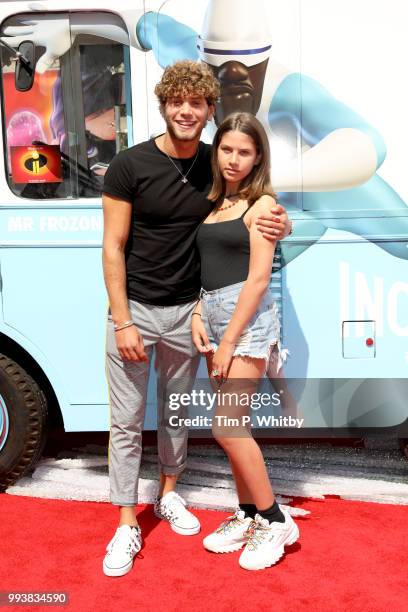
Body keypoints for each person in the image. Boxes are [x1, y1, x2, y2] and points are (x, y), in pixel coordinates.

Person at [101, 60, 291, 577]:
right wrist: (122, 320)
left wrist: (280, 219)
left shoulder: (219, 160)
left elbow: (255, 205)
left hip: (193, 315)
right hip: (138, 312)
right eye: (176, 101)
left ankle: (170, 495)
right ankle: (125, 523)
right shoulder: (129, 165)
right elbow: (113, 247)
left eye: (197, 102)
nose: (186, 110)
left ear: (210, 110)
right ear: (163, 106)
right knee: (125, 421)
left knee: (179, 415)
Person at [192, 112, 299, 571]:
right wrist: (199, 311)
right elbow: (208, 267)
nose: (234, 159)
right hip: (215, 317)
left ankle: (276, 521)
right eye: (227, 149)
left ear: (258, 158)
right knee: (235, 432)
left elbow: (257, 281)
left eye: (244, 152)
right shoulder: (216, 202)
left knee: (227, 427)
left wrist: (230, 341)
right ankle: (249, 512)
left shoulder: (263, 206)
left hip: (247, 324)